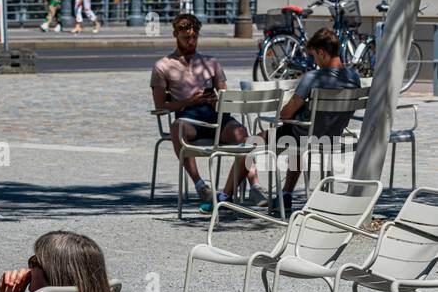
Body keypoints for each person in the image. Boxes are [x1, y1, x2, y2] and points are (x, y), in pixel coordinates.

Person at [150, 12, 267, 211]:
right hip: (189, 118)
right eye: (186, 38)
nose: (191, 42)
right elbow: (161, 106)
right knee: (177, 128)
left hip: (215, 115)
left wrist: (218, 100)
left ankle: (254, 186)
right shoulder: (162, 66)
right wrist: (189, 101)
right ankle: (200, 185)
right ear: (175, 35)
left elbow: (226, 96)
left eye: (195, 37)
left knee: (243, 136)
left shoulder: (210, 62)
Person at [271, 26, 361, 217]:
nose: (314, 61)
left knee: (255, 142)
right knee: (296, 135)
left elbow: (286, 113)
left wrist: (284, 113)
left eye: (314, 56)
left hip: (306, 137)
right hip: (334, 136)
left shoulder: (313, 77)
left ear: (321, 52)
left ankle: (226, 196)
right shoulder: (354, 77)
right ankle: (286, 193)